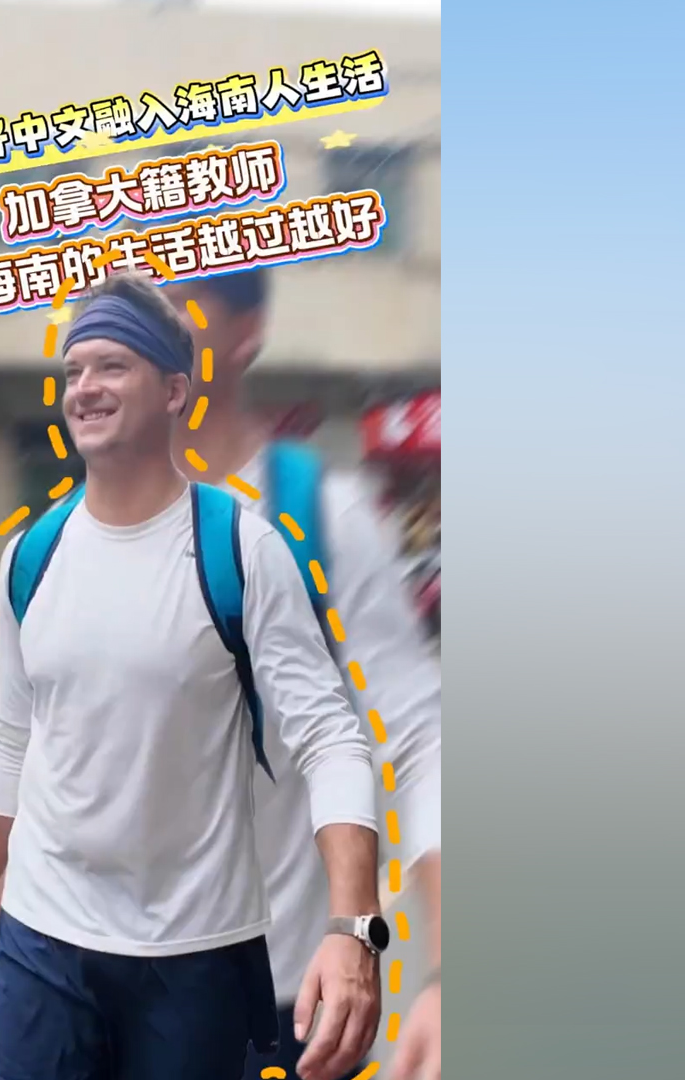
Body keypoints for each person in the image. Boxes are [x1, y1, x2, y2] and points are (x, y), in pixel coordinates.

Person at [0, 273, 387, 1080]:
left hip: (196, 954)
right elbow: (10, 740)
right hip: (43, 940)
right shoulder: (31, 557)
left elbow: (332, 740)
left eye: (112, 365)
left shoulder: (241, 549)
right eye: (74, 371)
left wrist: (354, 929)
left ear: (175, 390)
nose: (85, 387)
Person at [162, 269, 444, 1080]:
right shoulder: (75, 534)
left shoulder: (316, 514)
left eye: (176, 306)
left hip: (283, 1004)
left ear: (245, 331)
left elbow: (417, 740)